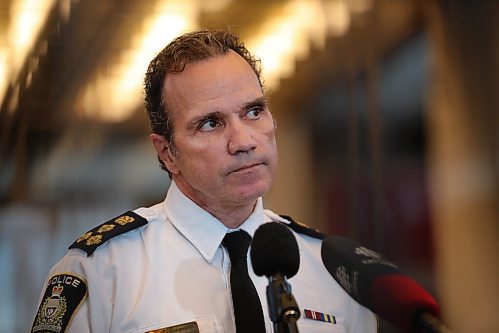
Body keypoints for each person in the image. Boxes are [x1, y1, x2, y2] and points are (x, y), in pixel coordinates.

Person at [31, 29, 377, 333]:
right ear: (167, 153)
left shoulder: (333, 270)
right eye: (211, 123)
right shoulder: (104, 273)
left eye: (253, 111)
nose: (244, 141)